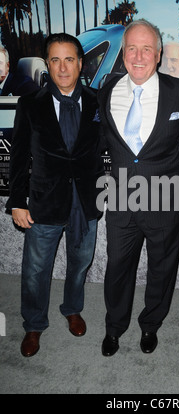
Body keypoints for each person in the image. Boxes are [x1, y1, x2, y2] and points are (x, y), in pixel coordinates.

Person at [97, 19, 179, 356]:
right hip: (121, 198)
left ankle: (150, 325)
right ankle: (114, 327)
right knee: (117, 269)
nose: (138, 56)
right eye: (131, 49)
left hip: (166, 199)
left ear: (158, 55)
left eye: (146, 49)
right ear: (123, 53)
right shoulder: (107, 90)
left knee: (161, 269)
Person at [6, 33, 105, 357]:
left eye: (69, 59)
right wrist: (17, 201)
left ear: (80, 63)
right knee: (36, 270)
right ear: (47, 64)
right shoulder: (30, 104)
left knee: (80, 264)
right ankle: (34, 324)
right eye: (55, 60)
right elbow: (19, 157)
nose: (63, 67)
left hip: (86, 203)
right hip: (44, 203)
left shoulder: (96, 101)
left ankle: (72, 308)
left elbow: (106, 150)